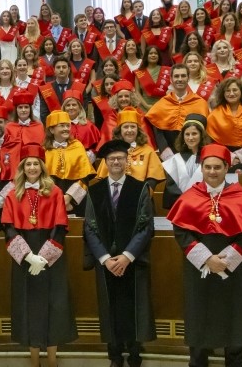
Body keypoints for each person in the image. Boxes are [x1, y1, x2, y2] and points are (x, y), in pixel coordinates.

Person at [168, 143, 242, 367]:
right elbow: (181, 232)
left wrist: (225, 261)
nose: (212, 172)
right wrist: (206, 259)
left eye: (217, 167)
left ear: (226, 168)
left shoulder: (239, 195)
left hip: (232, 269)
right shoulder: (190, 196)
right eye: (208, 167)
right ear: (201, 168)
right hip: (198, 270)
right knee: (199, 319)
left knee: (234, 321)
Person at [82, 140, 157, 367]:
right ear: (105, 162)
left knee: (133, 307)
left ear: (127, 162)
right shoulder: (94, 190)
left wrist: (127, 256)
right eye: (112, 159)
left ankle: (135, 354)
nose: (116, 162)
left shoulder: (140, 188)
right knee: (109, 307)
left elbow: (146, 226)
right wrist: (105, 258)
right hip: (106, 262)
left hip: (132, 261)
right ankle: (114, 355)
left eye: (120, 158)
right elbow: (89, 227)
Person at [2, 144, 77, 367]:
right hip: (25, 259)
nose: (32, 167)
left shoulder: (54, 192)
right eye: (28, 164)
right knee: (28, 307)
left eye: (36, 164)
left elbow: (60, 227)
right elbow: (8, 229)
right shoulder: (12, 194)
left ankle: (52, 360)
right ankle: (34, 359)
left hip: (51, 257)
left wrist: (43, 257)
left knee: (54, 306)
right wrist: (28, 256)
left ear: (42, 167)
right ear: (22, 168)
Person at [43, 110, 94, 215]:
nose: (66, 129)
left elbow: (84, 178)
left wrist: (69, 197)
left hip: (76, 201)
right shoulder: (44, 150)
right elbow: (42, 179)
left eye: (67, 125)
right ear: (52, 129)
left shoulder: (77, 146)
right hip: (51, 200)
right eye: (62, 126)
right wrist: (58, 199)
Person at [147, 65, 208, 152]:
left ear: (188, 78)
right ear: (171, 79)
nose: (180, 79)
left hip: (194, 151)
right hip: (169, 152)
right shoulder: (163, 103)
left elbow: (204, 132)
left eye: (183, 76)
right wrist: (164, 149)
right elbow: (157, 129)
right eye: (176, 76)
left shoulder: (200, 103)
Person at [162, 114, 211, 209]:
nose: (190, 138)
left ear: (201, 135)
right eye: (187, 134)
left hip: (204, 206)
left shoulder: (209, 158)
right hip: (181, 207)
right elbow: (171, 187)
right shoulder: (176, 159)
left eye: (194, 133)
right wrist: (185, 201)